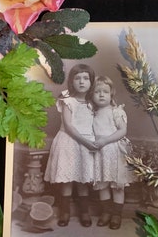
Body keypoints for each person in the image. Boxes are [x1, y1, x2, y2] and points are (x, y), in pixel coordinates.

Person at [44, 64, 97, 227]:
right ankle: (64, 212)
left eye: (86, 78)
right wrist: (86, 142)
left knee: (82, 182)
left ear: (91, 82)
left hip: (86, 145)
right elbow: (68, 126)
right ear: (72, 81)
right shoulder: (67, 99)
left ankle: (84, 212)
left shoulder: (93, 101)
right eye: (78, 78)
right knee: (66, 181)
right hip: (68, 142)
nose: (82, 82)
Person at [91, 75, 133, 230]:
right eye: (97, 92)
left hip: (114, 153)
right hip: (99, 154)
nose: (101, 94)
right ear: (92, 95)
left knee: (117, 186)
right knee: (102, 185)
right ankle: (106, 213)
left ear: (111, 94)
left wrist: (105, 141)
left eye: (105, 92)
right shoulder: (92, 113)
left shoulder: (116, 111)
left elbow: (122, 131)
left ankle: (116, 214)